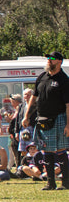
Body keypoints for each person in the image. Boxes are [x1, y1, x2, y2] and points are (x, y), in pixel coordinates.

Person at [22, 51, 69, 191]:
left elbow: (68, 104)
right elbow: (33, 98)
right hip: (43, 118)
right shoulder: (42, 77)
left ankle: (65, 183)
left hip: (59, 117)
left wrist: (68, 124)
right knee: (46, 151)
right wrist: (26, 115)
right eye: (48, 58)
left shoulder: (64, 80)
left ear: (59, 61)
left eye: (52, 59)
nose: (49, 60)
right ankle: (50, 183)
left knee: (60, 150)